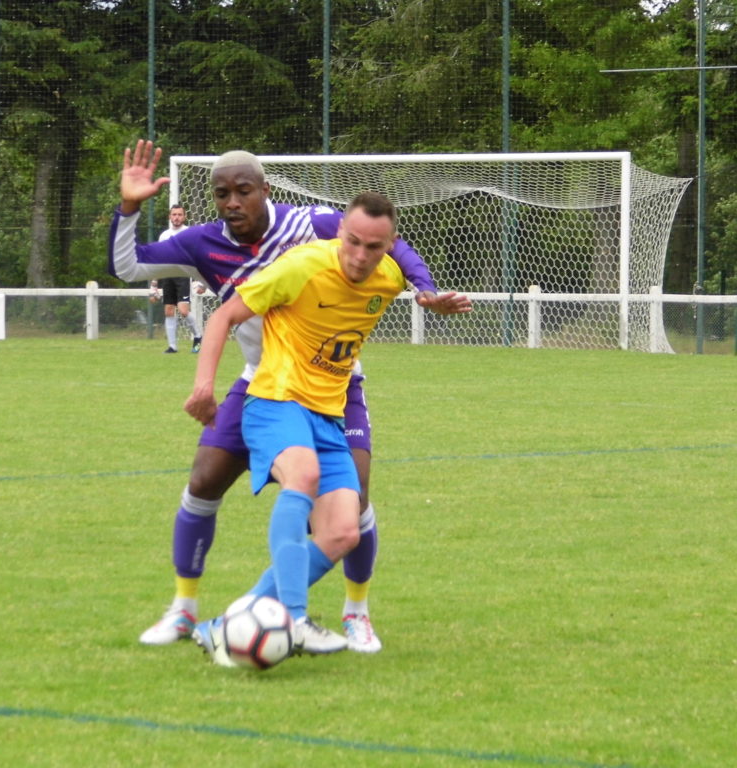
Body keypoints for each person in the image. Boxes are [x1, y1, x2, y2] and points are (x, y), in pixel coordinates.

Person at [108, 140, 470, 653]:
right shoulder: (201, 244)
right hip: (265, 382)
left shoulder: (314, 225)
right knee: (205, 480)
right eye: (222, 194)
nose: (233, 202)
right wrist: (128, 207)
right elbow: (128, 267)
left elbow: (391, 242)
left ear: (265, 190)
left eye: (243, 191)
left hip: (335, 388)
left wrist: (423, 287)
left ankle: (355, 613)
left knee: (352, 506)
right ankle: (186, 610)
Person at [184, 191, 432, 662]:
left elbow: (413, 271)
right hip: (275, 401)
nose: (359, 256)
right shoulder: (301, 266)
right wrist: (203, 386)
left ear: (390, 246)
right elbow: (224, 316)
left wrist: (431, 297)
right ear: (340, 232)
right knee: (304, 475)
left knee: (343, 532)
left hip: (328, 415)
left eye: (373, 247)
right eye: (352, 241)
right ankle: (295, 619)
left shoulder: (390, 278)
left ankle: (226, 625)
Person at [154, 205, 204, 353]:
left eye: (179, 214)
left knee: (183, 310)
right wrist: (154, 283)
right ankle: (172, 346)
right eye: (174, 214)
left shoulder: (189, 233)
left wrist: (200, 280)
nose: (176, 217)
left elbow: (198, 257)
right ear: (169, 217)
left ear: (184, 217)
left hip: (183, 275)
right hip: (168, 275)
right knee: (169, 310)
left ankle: (198, 336)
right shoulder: (164, 235)